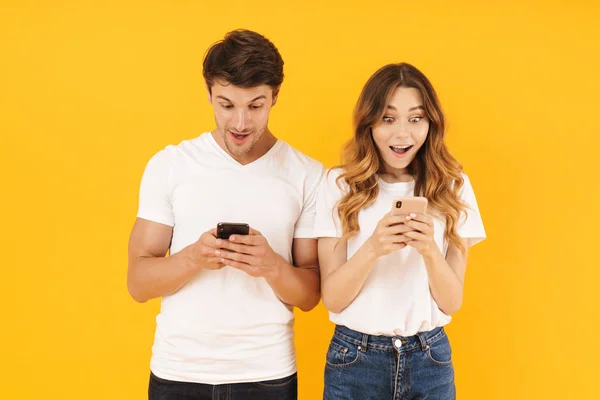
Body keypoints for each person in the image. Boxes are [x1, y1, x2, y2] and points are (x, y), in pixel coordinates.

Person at [127, 29, 324, 400]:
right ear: (208, 94)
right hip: (178, 371)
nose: (240, 123)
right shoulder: (170, 165)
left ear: (275, 97)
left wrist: (271, 266)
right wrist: (192, 258)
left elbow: (311, 294)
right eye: (227, 104)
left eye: (255, 105)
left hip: (267, 373)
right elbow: (137, 282)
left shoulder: (307, 174)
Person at [314, 63, 486, 399]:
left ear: (430, 122)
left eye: (416, 118)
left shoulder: (454, 187)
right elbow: (332, 298)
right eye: (388, 118)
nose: (402, 134)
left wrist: (429, 250)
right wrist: (372, 248)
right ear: (369, 123)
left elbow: (451, 302)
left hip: (430, 360)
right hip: (354, 360)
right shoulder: (339, 185)